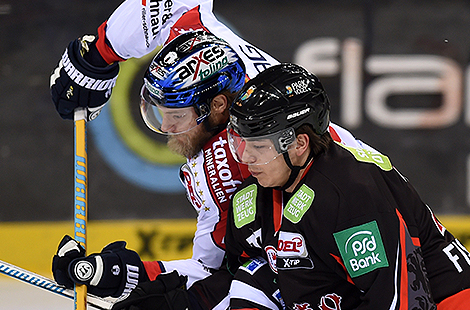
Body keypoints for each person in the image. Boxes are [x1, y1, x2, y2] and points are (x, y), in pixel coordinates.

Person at [49, 1, 370, 310]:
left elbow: (215, 274)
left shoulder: (234, 165)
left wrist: (128, 277)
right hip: (374, 232)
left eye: (177, 116)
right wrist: (99, 52)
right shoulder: (210, 56)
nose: (166, 126)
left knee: (256, 282)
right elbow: (173, 7)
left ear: (217, 107)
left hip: (359, 263)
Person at [225, 62, 470, 310]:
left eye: (259, 146)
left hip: (448, 301)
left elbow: (399, 302)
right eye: (241, 143)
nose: (246, 158)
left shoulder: (351, 194)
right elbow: (237, 274)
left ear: (299, 144)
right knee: (254, 277)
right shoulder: (258, 195)